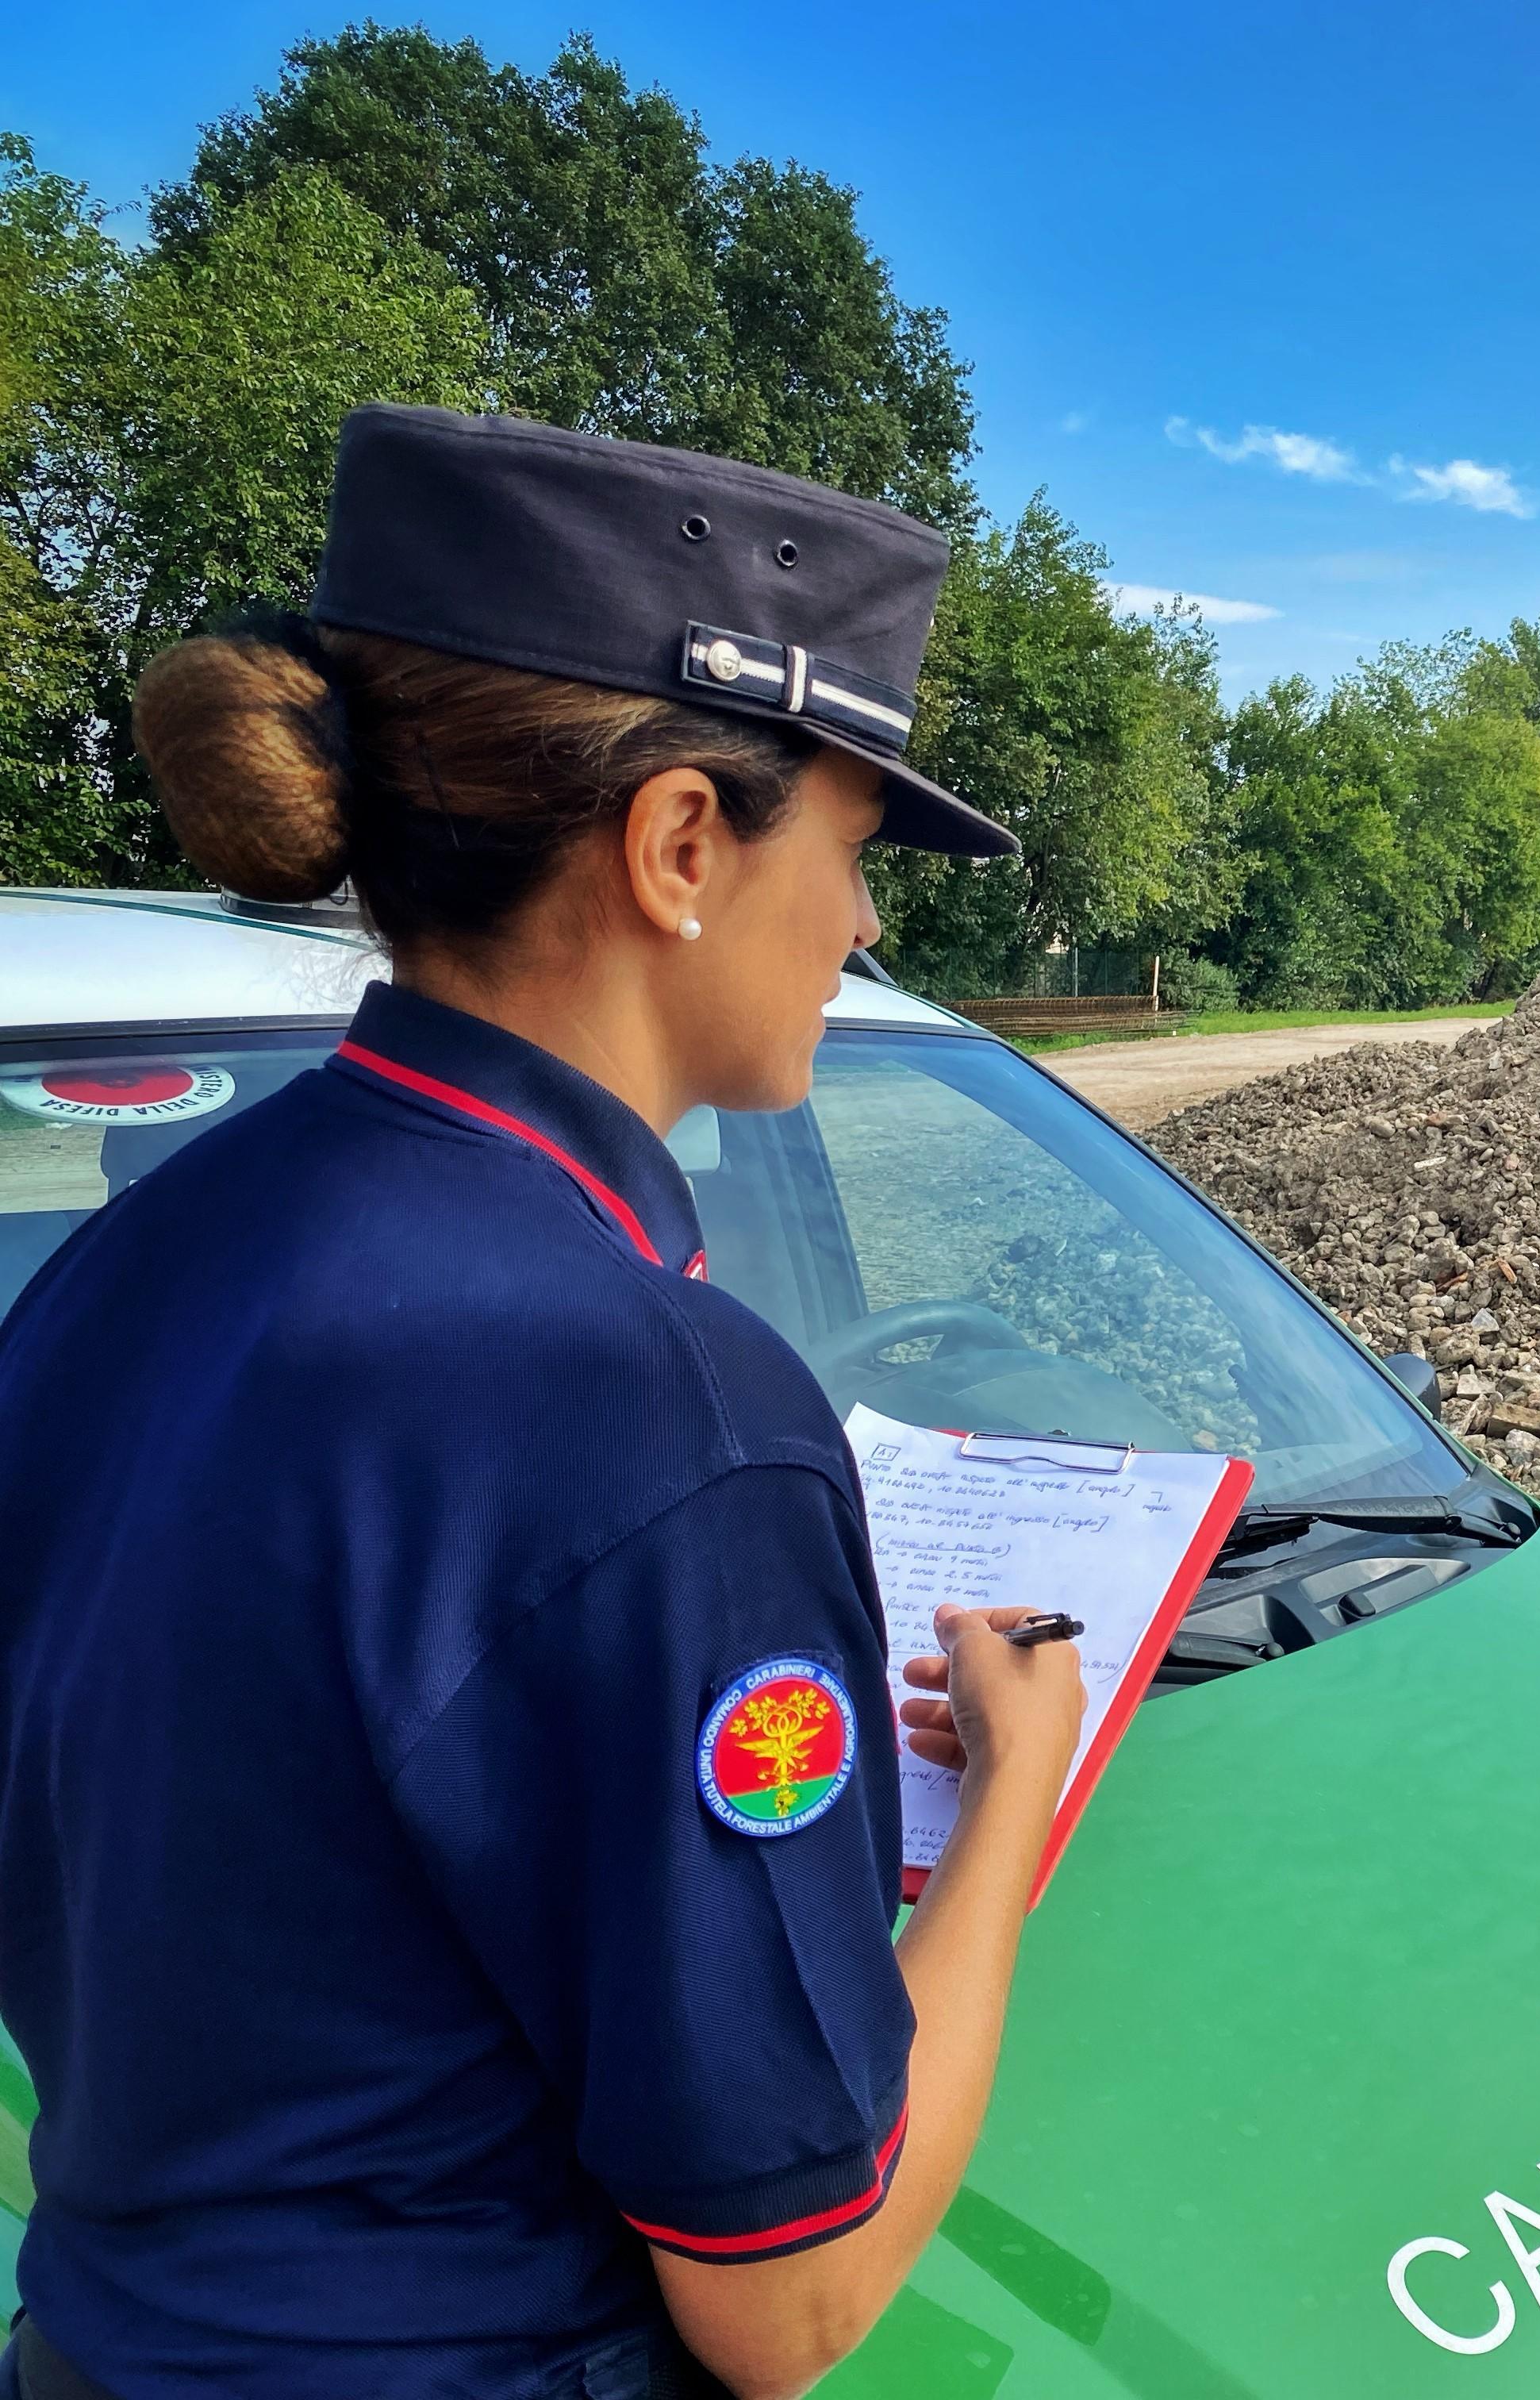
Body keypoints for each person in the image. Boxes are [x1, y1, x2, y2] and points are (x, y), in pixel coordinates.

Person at [0, 406, 1090, 2400]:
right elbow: (790, 2300)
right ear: (682, 844)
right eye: (851, 853)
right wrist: (1011, 1801)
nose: (861, 930)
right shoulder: (667, 1410)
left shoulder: (116, 1274)